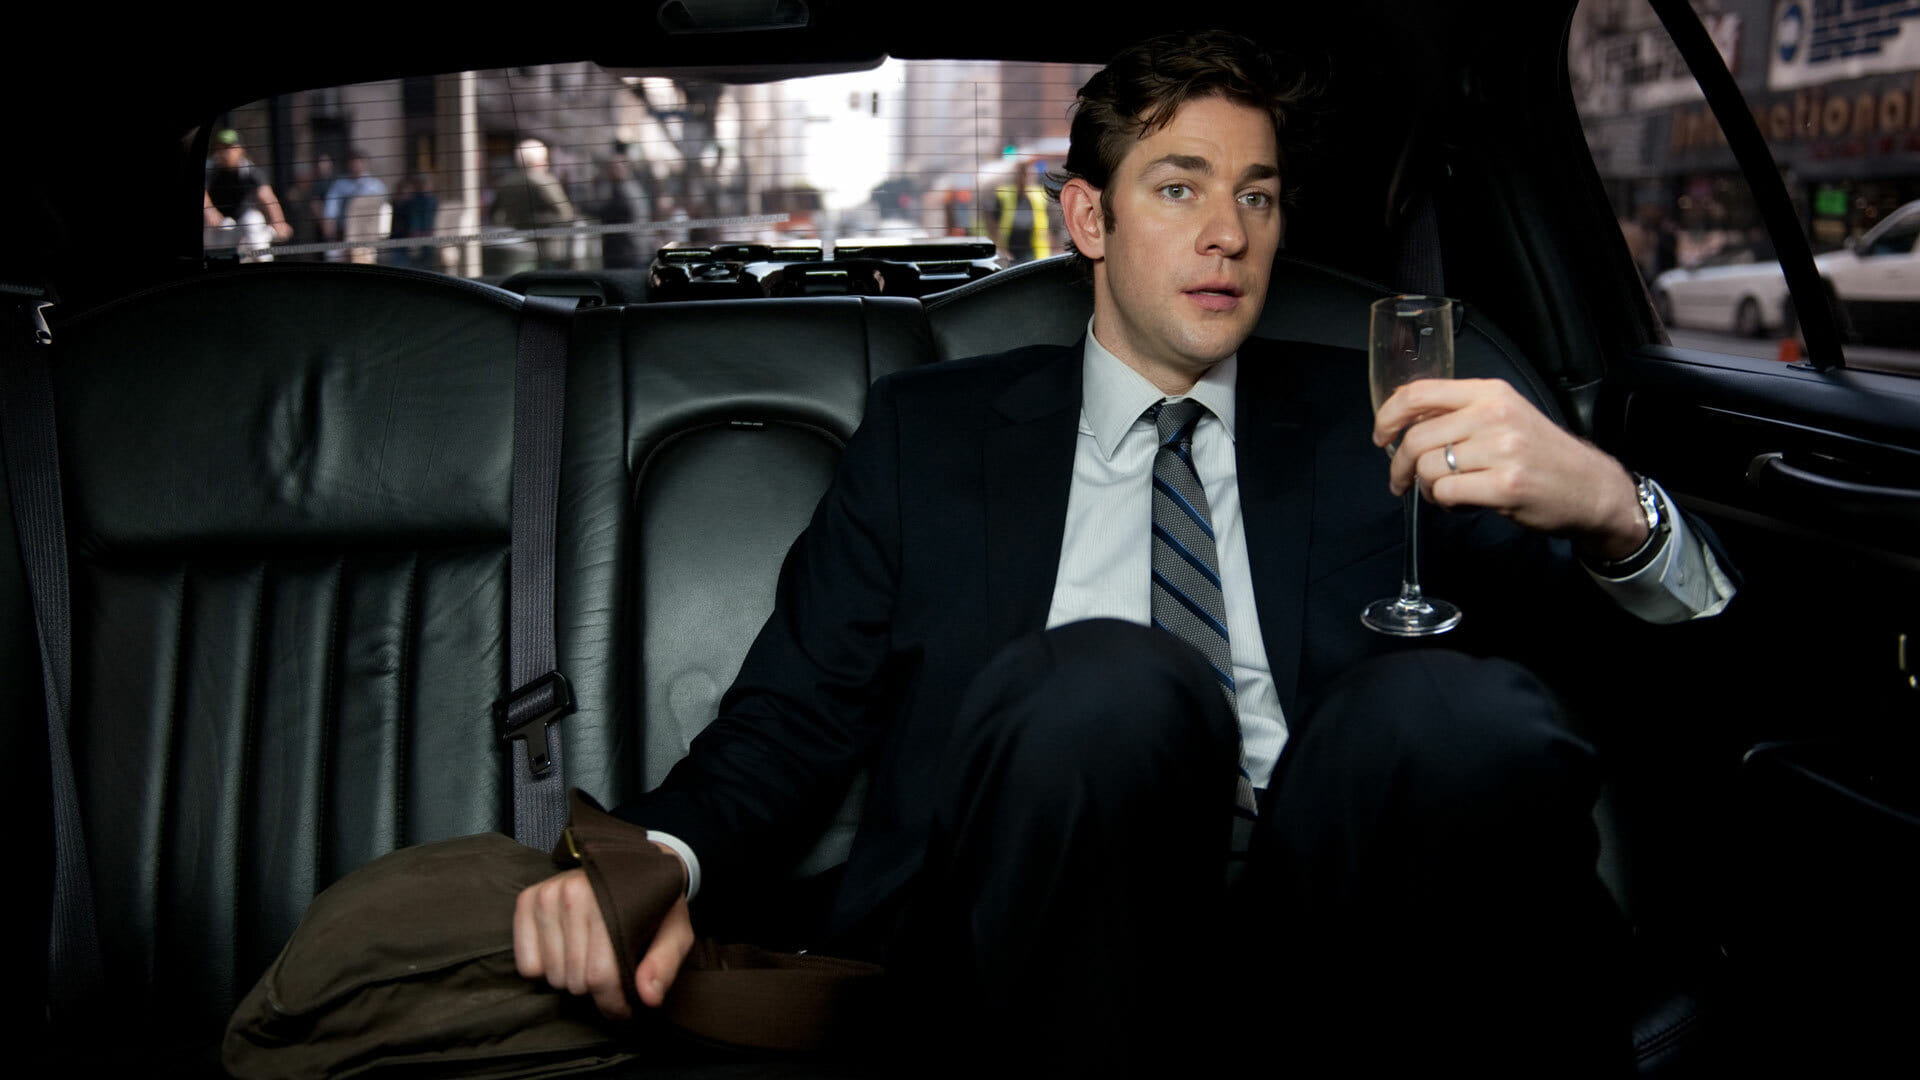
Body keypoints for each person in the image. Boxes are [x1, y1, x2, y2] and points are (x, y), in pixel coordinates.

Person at [514, 29, 1734, 1076]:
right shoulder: (932, 436)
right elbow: (788, 720)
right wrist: (649, 861)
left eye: (1258, 196)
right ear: (1088, 216)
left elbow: (1613, 700)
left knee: (1450, 712)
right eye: (1180, 189)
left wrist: (1616, 507)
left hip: (1337, 930)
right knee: (1107, 685)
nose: (1229, 233)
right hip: (1030, 932)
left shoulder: (1384, 417)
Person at [488, 138, 577, 272]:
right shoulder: (545, 182)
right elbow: (566, 214)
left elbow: (493, 215)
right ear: (539, 161)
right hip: (545, 251)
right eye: (545, 159)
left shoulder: (506, 182)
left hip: (515, 250)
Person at [203, 128, 292, 262]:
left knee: (254, 222)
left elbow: (267, 196)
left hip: (243, 219)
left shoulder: (249, 170)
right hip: (220, 224)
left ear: (240, 149)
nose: (225, 152)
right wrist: (210, 213)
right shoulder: (210, 168)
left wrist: (279, 222)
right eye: (221, 148)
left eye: (229, 148)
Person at [321, 150, 390, 262]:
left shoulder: (377, 186)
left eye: (360, 162)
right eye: (354, 162)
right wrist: (329, 226)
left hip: (369, 235)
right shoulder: (340, 185)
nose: (357, 166)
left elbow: (385, 211)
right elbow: (331, 209)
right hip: (343, 234)